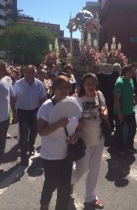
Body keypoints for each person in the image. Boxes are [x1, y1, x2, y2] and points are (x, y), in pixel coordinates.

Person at [37, 75, 82, 210]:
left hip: (67, 154)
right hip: (50, 155)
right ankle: (44, 204)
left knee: (64, 186)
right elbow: (42, 131)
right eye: (60, 87)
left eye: (66, 87)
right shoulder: (46, 107)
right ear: (54, 89)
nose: (64, 90)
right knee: (51, 183)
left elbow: (79, 126)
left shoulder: (72, 103)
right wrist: (58, 124)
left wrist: (76, 135)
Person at [71, 73, 107, 209]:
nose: (90, 86)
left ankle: (90, 198)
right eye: (87, 84)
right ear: (83, 85)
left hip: (98, 137)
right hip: (83, 139)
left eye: (93, 83)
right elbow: (72, 118)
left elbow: (104, 106)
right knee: (82, 169)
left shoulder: (99, 95)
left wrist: (105, 112)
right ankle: (67, 182)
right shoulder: (76, 98)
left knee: (95, 169)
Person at [13, 64, 47, 165]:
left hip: (35, 112)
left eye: (30, 72)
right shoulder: (18, 84)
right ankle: (24, 155)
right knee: (23, 134)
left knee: (34, 131)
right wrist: (14, 112)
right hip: (22, 112)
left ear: (33, 73)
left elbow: (43, 97)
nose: (28, 74)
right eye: (26, 72)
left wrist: (42, 110)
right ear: (23, 73)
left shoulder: (38, 83)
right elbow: (13, 98)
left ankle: (31, 146)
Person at [114, 64, 137, 154]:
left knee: (133, 128)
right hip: (121, 111)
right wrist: (120, 113)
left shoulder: (131, 80)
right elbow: (116, 99)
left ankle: (129, 146)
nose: (134, 72)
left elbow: (133, 93)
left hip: (130, 110)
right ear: (127, 72)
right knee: (120, 130)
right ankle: (120, 149)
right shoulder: (120, 82)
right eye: (132, 71)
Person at [0, 61, 16, 170]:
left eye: (4, 69)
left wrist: (14, 112)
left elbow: (12, 97)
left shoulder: (7, 80)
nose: (3, 71)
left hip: (4, 119)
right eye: (2, 69)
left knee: (1, 143)